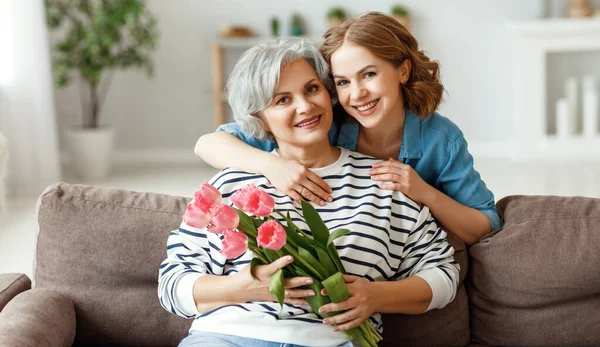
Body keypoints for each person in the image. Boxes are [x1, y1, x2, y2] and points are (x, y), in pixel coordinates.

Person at [159, 37, 459, 347]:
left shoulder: (383, 182)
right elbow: (172, 285)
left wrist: (376, 297)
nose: (305, 106)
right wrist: (244, 287)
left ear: (329, 95)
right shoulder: (232, 184)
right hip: (227, 337)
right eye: (282, 100)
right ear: (259, 118)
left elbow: (443, 274)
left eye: (312, 89)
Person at [194, 12, 500, 246]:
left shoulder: (440, 140)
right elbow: (208, 144)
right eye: (342, 82)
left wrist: (423, 191)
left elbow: (485, 224)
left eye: (369, 74)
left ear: (403, 71)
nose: (357, 94)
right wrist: (272, 165)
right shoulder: (321, 121)